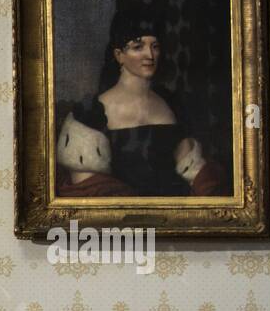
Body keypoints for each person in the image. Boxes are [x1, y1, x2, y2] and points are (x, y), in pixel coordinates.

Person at [87, 10, 225, 196]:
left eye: (155, 46)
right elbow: (89, 186)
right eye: (138, 47)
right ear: (119, 55)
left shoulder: (170, 102)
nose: (150, 55)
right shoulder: (95, 109)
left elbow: (192, 170)